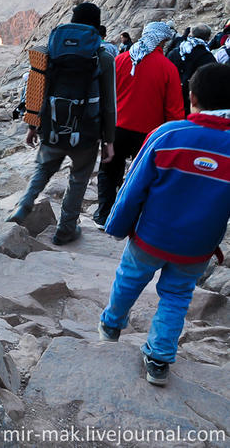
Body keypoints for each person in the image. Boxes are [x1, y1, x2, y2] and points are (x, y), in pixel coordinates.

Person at [98, 63, 230, 386]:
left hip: (150, 237)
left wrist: (116, 225)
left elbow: (133, 187)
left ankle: (111, 326)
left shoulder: (168, 134)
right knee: (177, 297)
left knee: (129, 278)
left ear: (191, 96)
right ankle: (158, 360)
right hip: (196, 248)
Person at [7, 2, 117, 245]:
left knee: (43, 169)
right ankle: (66, 229)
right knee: (78, 178)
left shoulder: (53, 49)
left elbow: (38, 88)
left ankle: (24, 205)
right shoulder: (103, 57)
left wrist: (33, 124)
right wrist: (109, 140)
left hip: (53, 126)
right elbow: (109, 104)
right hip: (87, 133)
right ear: (97, 28)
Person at [94, 21, 184, 227]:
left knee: (108, 171)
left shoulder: (121, 59)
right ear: (162, 40)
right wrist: (174, 136)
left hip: (116, 128)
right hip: (149, 134)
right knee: (141, 177)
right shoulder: (168, 68)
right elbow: (174, 109)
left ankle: (103, 215)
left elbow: (105, 95)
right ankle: (133, 218)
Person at [167, 24, 215, 115]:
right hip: (196, 102)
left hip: (173, 98)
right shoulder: (207, 56)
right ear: (208, 38)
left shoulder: (175, 52)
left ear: (190, 34)